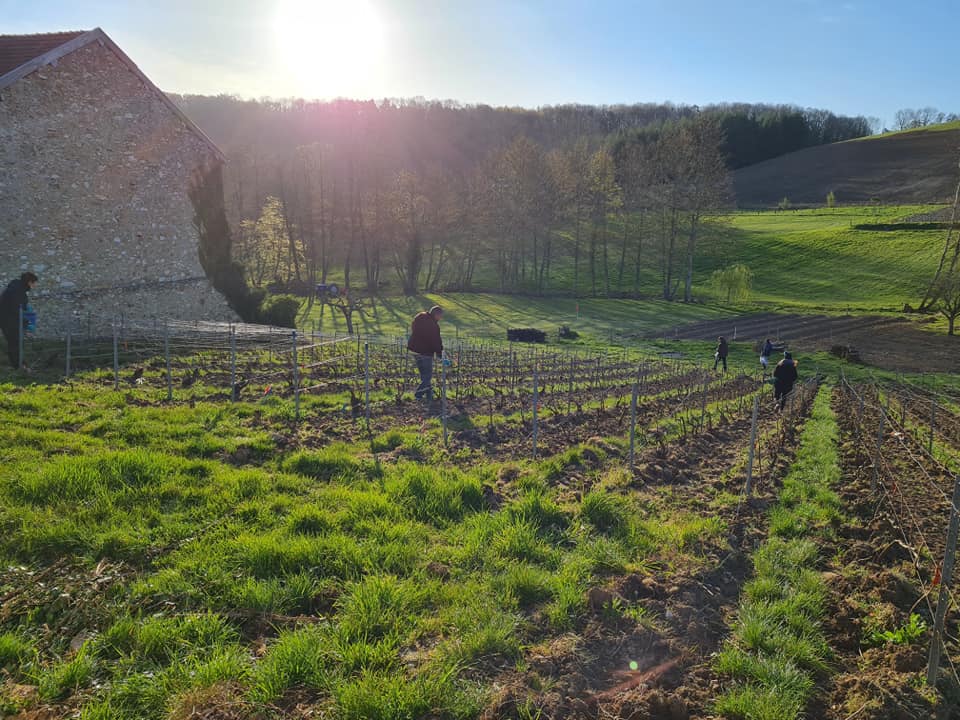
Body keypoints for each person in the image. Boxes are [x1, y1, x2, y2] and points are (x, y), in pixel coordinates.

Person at [0, 272, 38, 369]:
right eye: (34, 283)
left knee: (15, 343)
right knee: (14, 343)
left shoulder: (16, 288)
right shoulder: (17, 291)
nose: (35, 285)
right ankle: (18, 366)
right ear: (29, 282)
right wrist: (25, 321)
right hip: (9, 320)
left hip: (8, 319)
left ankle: (19, 364)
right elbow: (16, 309)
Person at [407, 305, 444, 401]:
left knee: (424, 374)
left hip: (415, 350)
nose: (441, 318)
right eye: (440, 316)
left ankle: (429, 394)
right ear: (436, 314)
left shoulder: (419, 317)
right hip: (425, 352)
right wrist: (440, 353)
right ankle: (418, 394)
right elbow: (435, 341)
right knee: (427, 375)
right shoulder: (433, 325)